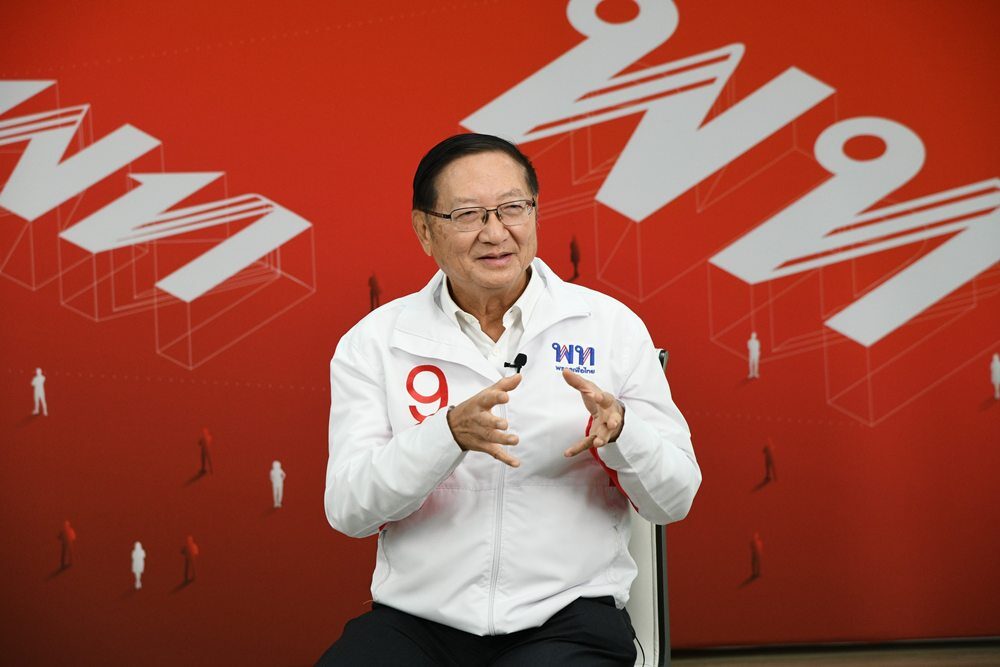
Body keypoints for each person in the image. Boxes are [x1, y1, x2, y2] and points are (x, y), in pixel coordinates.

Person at [321, 133, 700, 665]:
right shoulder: (376, 342)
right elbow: (349, 510)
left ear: (535, 213)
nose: (496, 232)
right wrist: (446, 435)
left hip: (568, 619)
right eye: (468, 215)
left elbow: (674, 500)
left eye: (513, 208)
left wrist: (623, 433)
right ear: (425, 230)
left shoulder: (609, 328)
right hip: (419, 624)